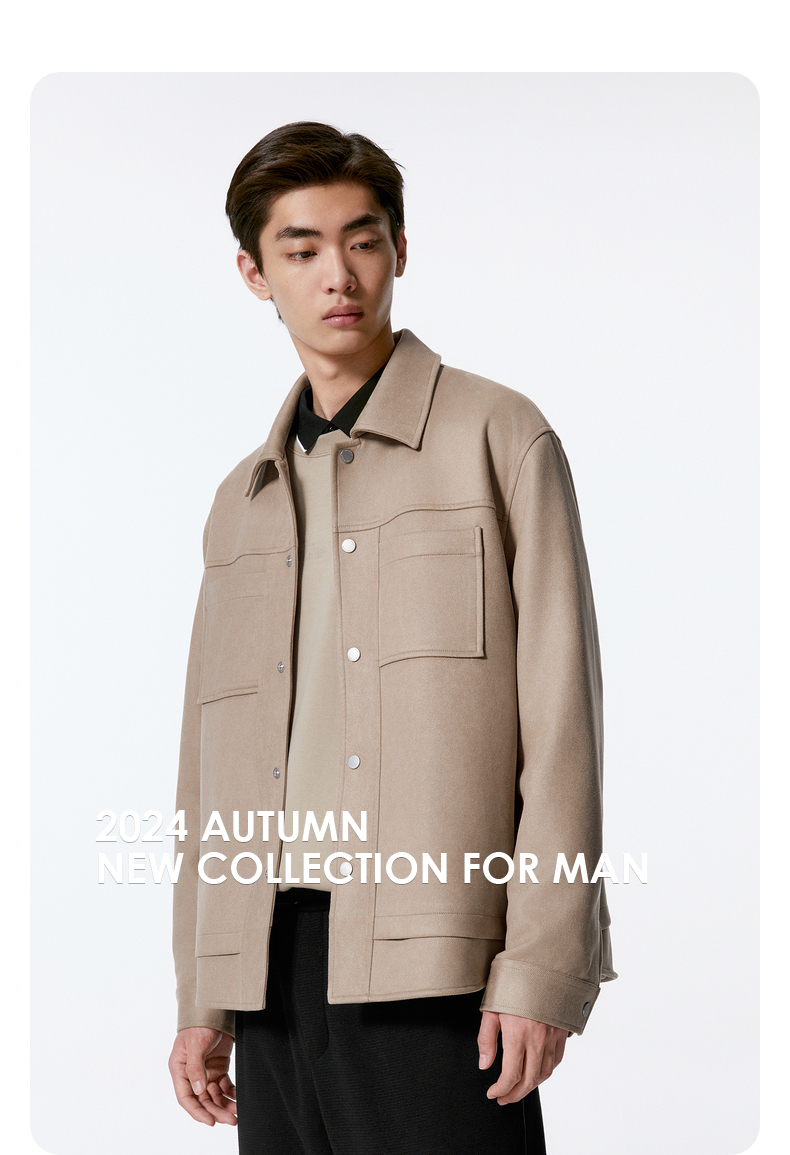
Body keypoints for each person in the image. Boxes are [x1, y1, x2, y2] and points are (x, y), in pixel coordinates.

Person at [167, 121, 615, 1155]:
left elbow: (562, 723)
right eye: (301, 249)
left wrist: (541, 967)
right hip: (270, 967)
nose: (339, 275)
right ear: (254, 273)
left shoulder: (498, 436)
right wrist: (204, 991)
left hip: (440, 964)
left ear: (400, 250)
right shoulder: (242, 501)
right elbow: (206, 763)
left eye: (362, 241)